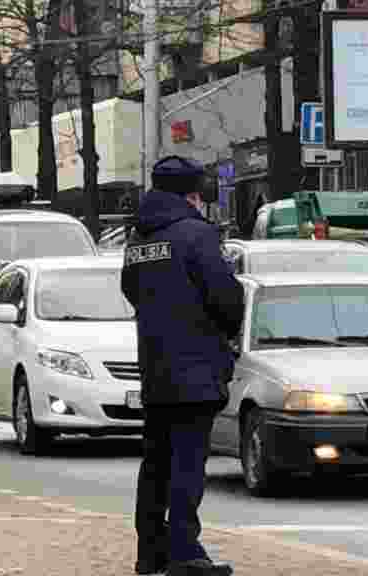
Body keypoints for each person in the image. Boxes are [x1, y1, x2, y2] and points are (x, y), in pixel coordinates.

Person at [122, 156, 244, 576]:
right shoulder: (196, 234)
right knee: (188, 465)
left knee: (156, 462)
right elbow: (227, 298)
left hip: (155, 366)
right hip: (197, 367)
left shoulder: (138, 238)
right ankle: (185, 551)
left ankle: (150, 551)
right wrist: (223, 335)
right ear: (191, 194)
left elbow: (132, 291)